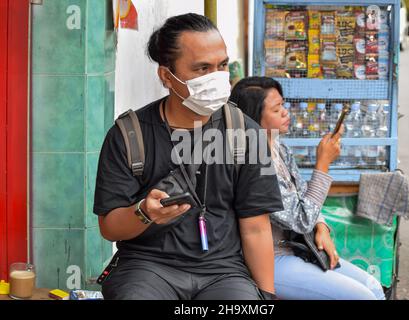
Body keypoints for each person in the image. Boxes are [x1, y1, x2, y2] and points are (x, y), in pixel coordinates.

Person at [93, 14, 284, 300]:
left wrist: (266, 297)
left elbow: (256, 228)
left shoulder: (246, 133)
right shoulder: (129, 135)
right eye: (202, 68)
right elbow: (109, 227)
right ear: (166, 76)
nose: (217, 77)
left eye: (221, 65)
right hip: (147, 268)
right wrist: (145, 213)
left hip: (223, 273)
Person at [229, 76, 386, 300]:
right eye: (276, 109)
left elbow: (302, 196)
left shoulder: (278, 148)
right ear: (254, 118)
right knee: (363, 297)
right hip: (271, 258)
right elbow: (301, 219)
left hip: (297, 247)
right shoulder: (252, 161)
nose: (285, 112)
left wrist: (321, 225)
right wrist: (323, 164)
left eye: (283, 104)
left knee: (374, 288)